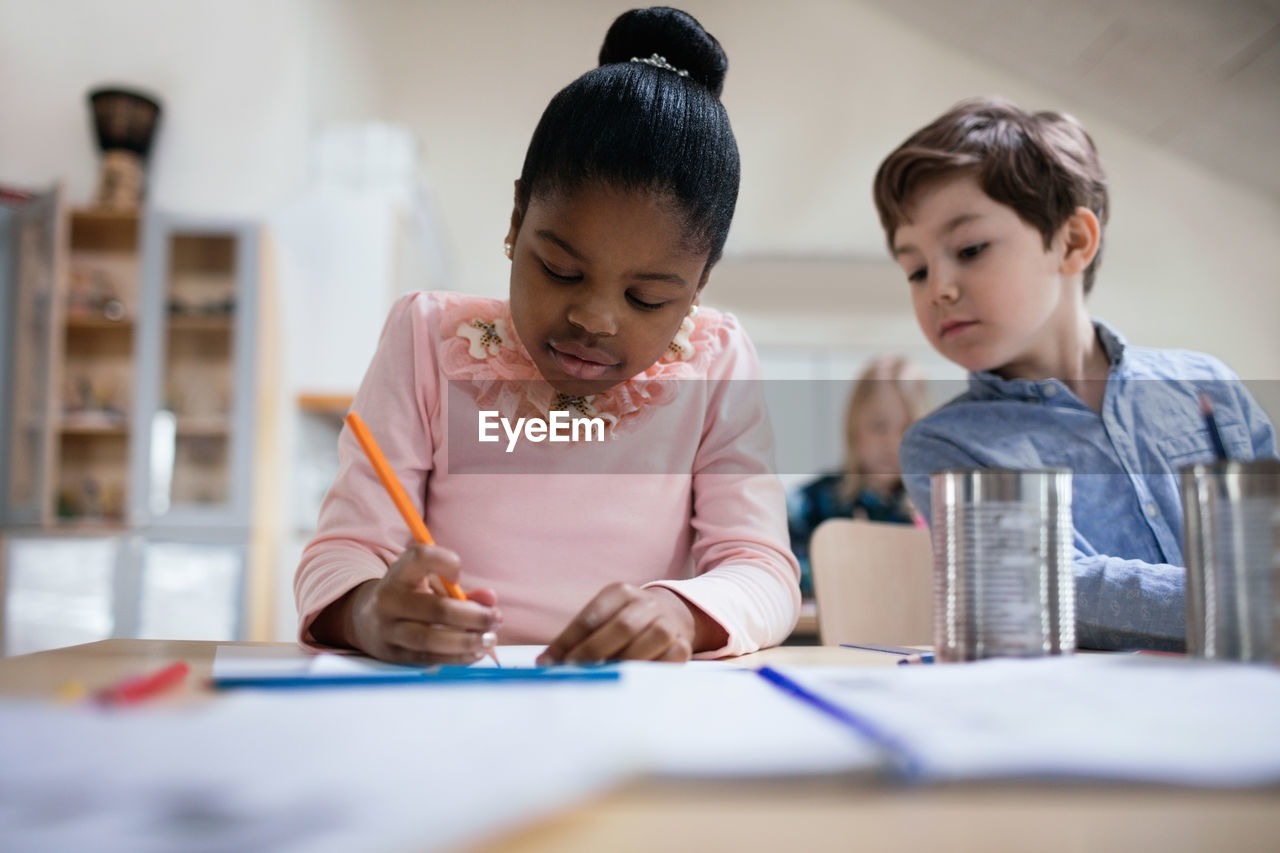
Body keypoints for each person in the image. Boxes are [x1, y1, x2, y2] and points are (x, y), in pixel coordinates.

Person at [296, 7, 799, 666]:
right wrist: (367, 609)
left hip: (632, 714)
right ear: (516, 220)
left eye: (647, 297)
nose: (593, 318)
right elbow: (341, 552)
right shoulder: (429, 339)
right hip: (450, 703)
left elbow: (763, 569)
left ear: (698, 285)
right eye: (561, 269)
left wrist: (681, 611)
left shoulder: (716, 361)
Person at [872, 96, 1278, 651]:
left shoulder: (1206, 384)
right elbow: (1053, 588)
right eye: (915, 269)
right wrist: (1246, 599)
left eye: (969, 249)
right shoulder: (944, 445)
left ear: (1073, 243)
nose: (938, 287)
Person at [787, 355, 926, 597]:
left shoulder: (930, 510)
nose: (891, 443)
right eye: (878, 427)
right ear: (854, 428)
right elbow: (786, 574)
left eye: (905, 428)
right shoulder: (808, 505)